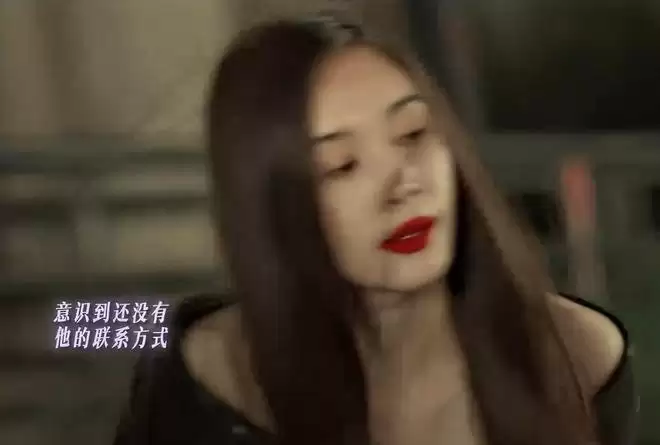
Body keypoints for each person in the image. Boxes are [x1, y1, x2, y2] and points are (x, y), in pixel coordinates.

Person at [113, 18, 638, 445]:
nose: (404, 184)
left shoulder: (581, 359)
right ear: (274, 208)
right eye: (342, 166)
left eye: (413, 134)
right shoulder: (201, 377)